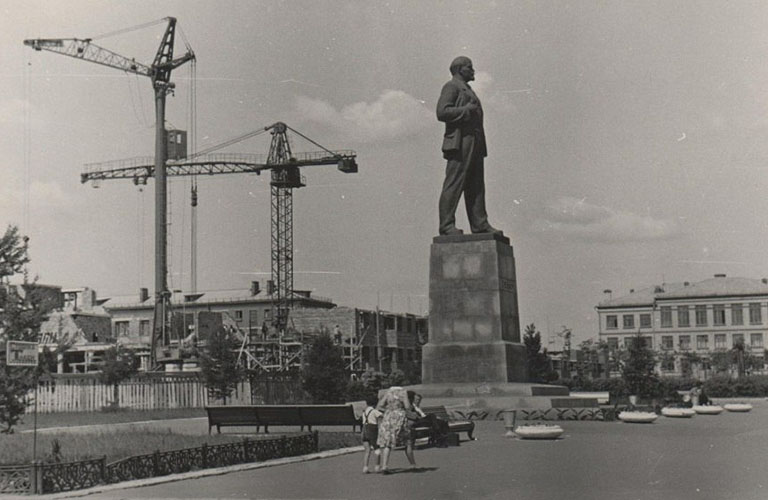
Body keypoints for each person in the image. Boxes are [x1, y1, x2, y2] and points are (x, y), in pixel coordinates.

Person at [436, 56, 502, 237]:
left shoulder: (467, 89)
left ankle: (480, 224)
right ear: (459, 69)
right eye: (469, 67)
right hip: (460, 142)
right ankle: (447, 226)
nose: (473, 70)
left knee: (476, 185)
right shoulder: (451, 87)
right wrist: (466, 110)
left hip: (474, 142)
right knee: (454, 183)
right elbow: (442, 112)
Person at [376, 386, 414, 473]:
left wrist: (388, 409)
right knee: (407, 441)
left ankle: (384, 465)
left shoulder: (388, 392)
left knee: (387, 442)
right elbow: (408, 407)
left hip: (388, 417)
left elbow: (380, 405)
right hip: (399, 417)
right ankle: (412, 464)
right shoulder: (403, 393)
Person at [361, 395, 383, 473]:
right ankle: (377, 466)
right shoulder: (375, 411)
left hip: (364, 430)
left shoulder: (364, 412)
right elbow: (381, 419)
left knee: (367, 450)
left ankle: (365, 467)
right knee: (377, 449)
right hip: (372, 430)